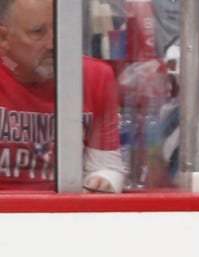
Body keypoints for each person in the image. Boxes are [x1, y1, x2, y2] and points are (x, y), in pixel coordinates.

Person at [0, 0, 125, 192]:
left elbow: (107, 167)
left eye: (58, 28)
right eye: (37, 32)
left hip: (68, 215)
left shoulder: (96, 77)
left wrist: (102, 181)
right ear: (3, 38)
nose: (53, 43)